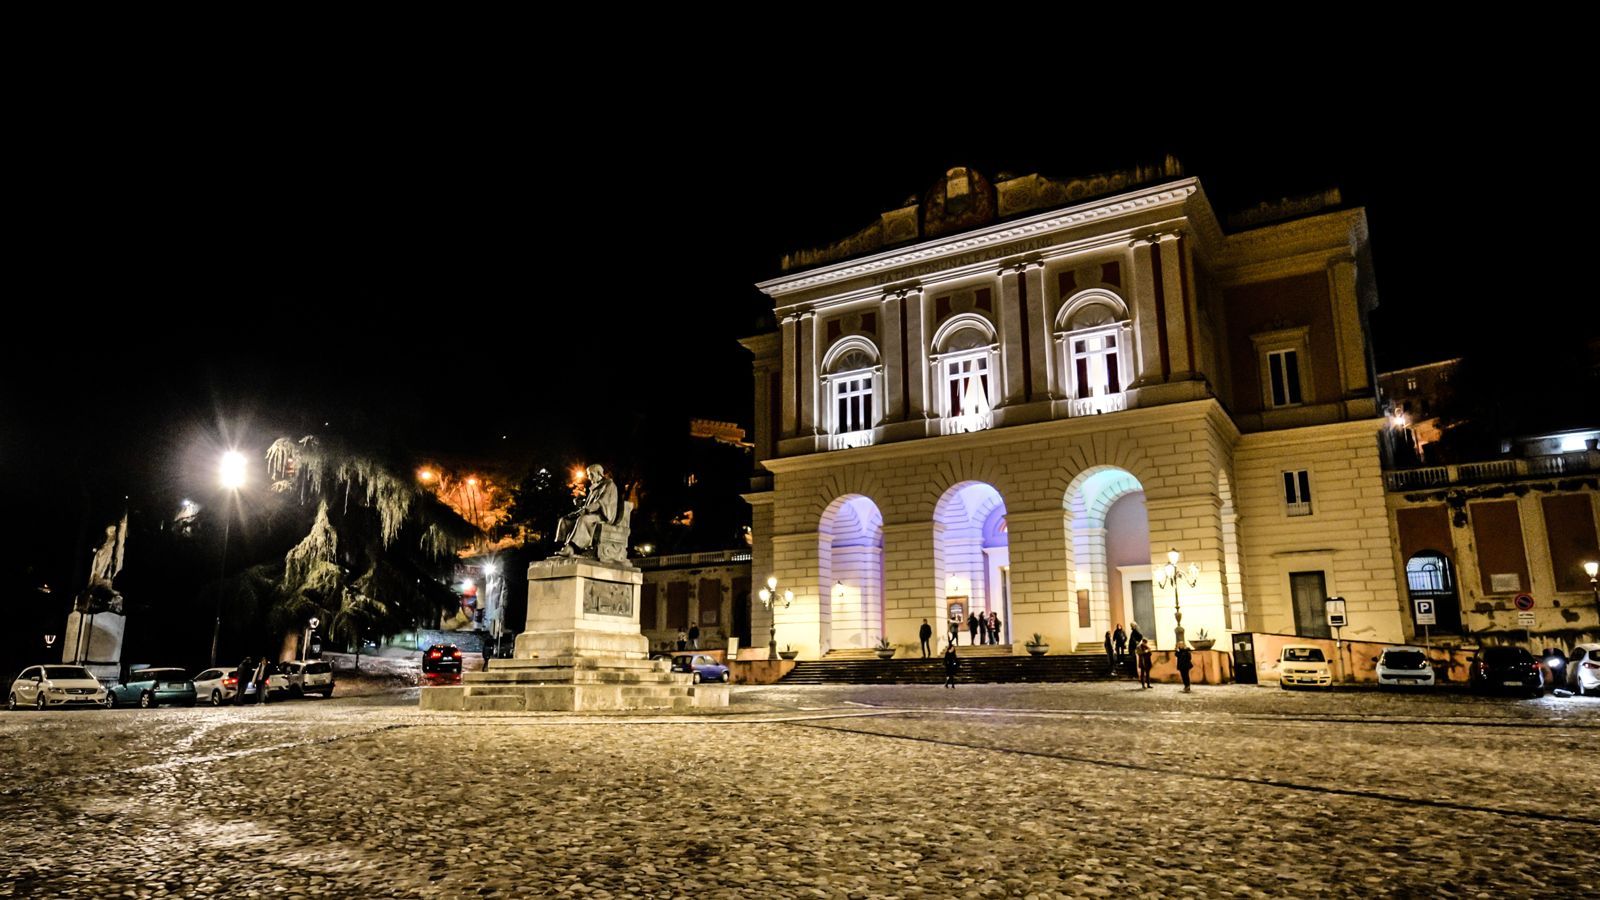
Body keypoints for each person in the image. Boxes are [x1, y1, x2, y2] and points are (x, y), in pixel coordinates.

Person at [555, 464, 618, 557]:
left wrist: (586, 509)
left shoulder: (609, 485)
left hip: (603, 515)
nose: (589, 477)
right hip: (592, 513)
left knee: (583, 520)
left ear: (599, 473)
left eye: (591, 474)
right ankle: (565, 546)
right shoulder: (595, 487)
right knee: (565, 520)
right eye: (589, 475)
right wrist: (580, 504)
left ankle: (571, 548)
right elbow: (589, 504)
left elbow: (601, 502)